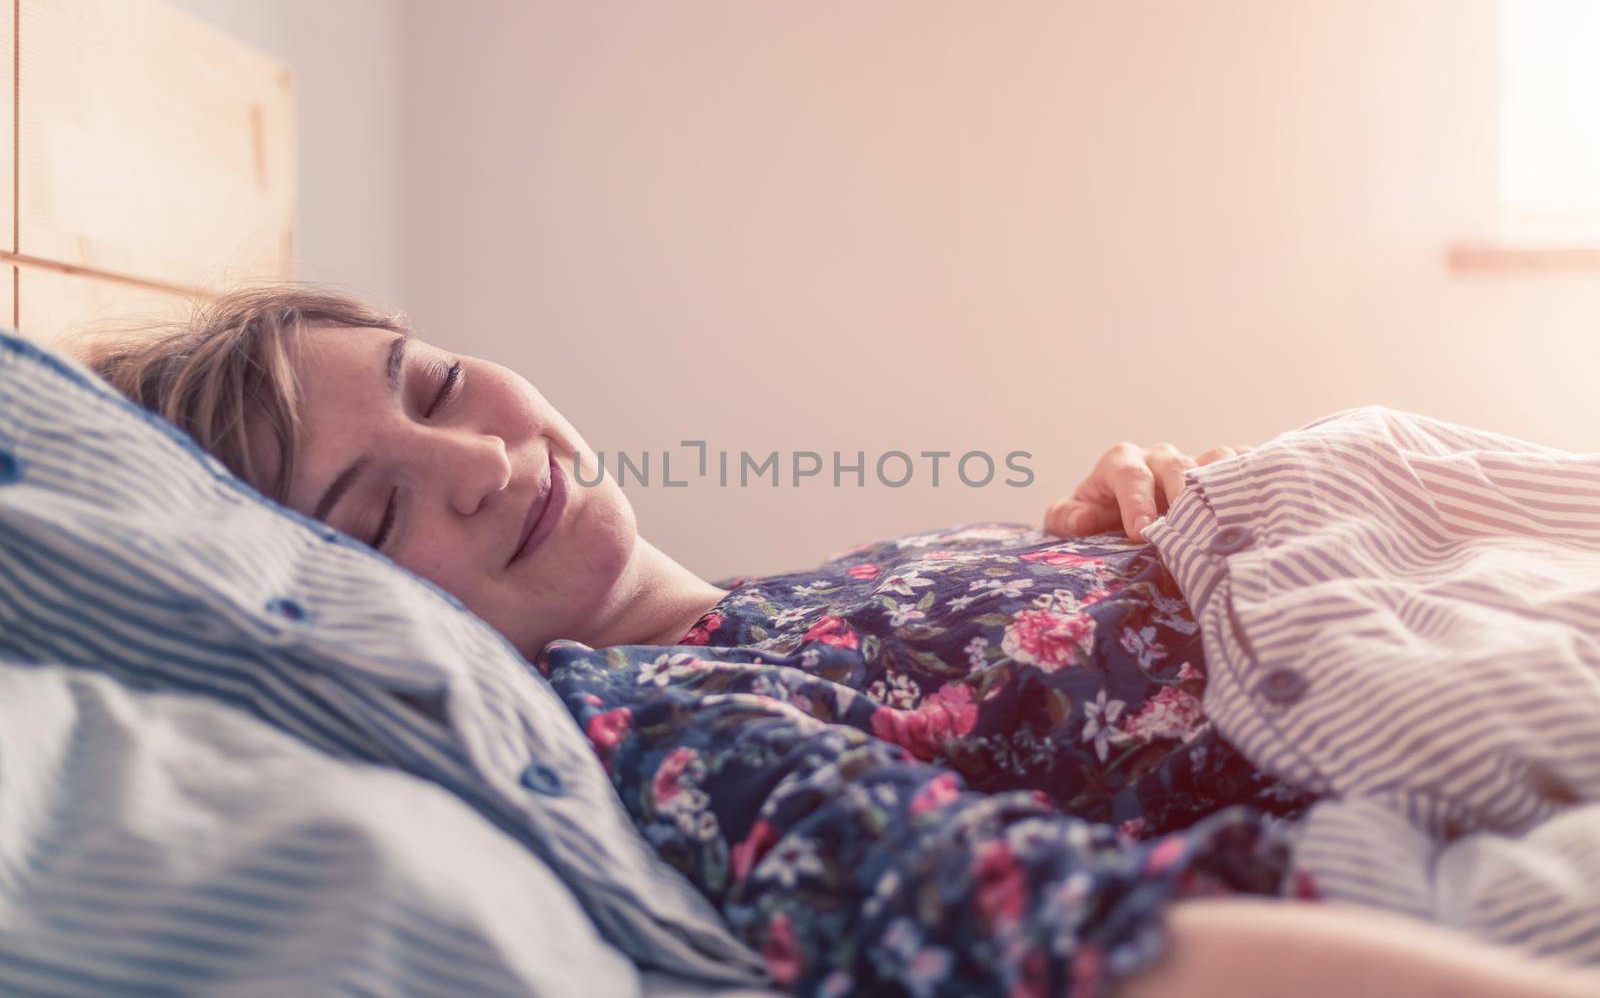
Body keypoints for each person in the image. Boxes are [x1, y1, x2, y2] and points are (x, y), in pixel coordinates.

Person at [89, 286, 1598, 998]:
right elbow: (1065, 942)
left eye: (432, 383)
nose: (474, 458)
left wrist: (1139, 535)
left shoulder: (772, 601)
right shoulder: (658, 736)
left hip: (1438, 581)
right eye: (370, 516)